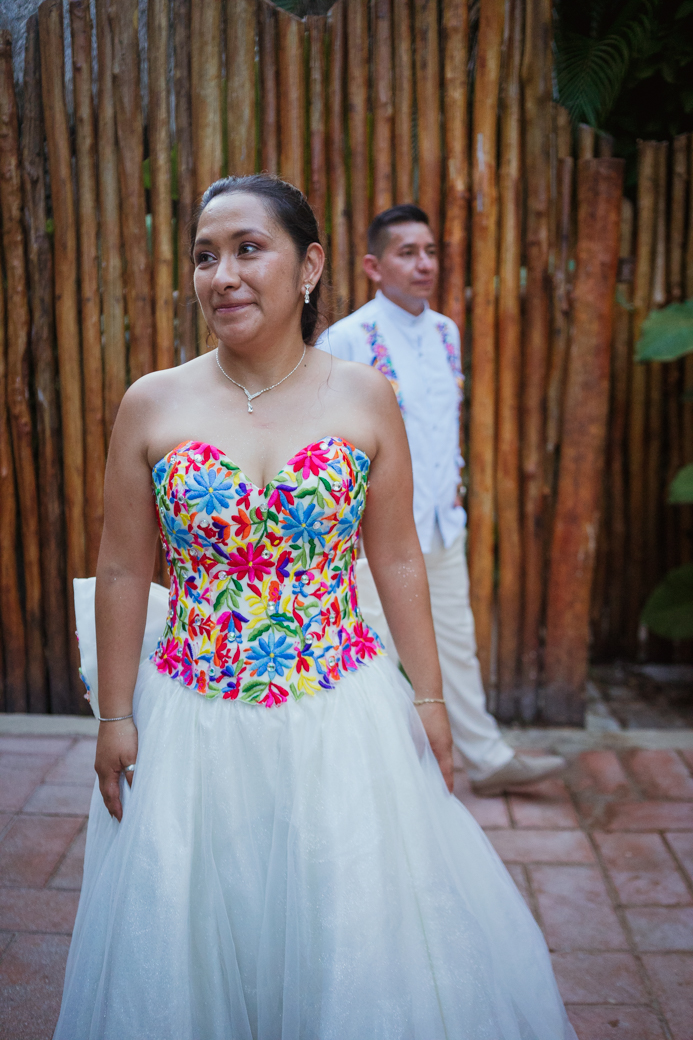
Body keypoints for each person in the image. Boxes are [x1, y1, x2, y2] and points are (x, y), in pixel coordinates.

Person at [54, 175, 576, 1040]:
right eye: (203, 255)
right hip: (190, 718)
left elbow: (398, 555)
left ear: (310, 267)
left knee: (347, 926)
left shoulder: (364, 396)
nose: (221, 274)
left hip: (339, 710)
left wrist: (432, 698)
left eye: (247, 249)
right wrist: (114, 714)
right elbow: (119, 568)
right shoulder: (153, 401)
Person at [317, 204, 565, 797]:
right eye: (408, 253)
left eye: (430, 251)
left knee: (455, 639)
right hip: (370, 537)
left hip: (439, 523)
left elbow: (440, 426)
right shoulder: (349, 337)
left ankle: (487, 756)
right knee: (368, 649)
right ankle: (360, 772)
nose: (424, 263)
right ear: (375, 266)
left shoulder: (446, 332)